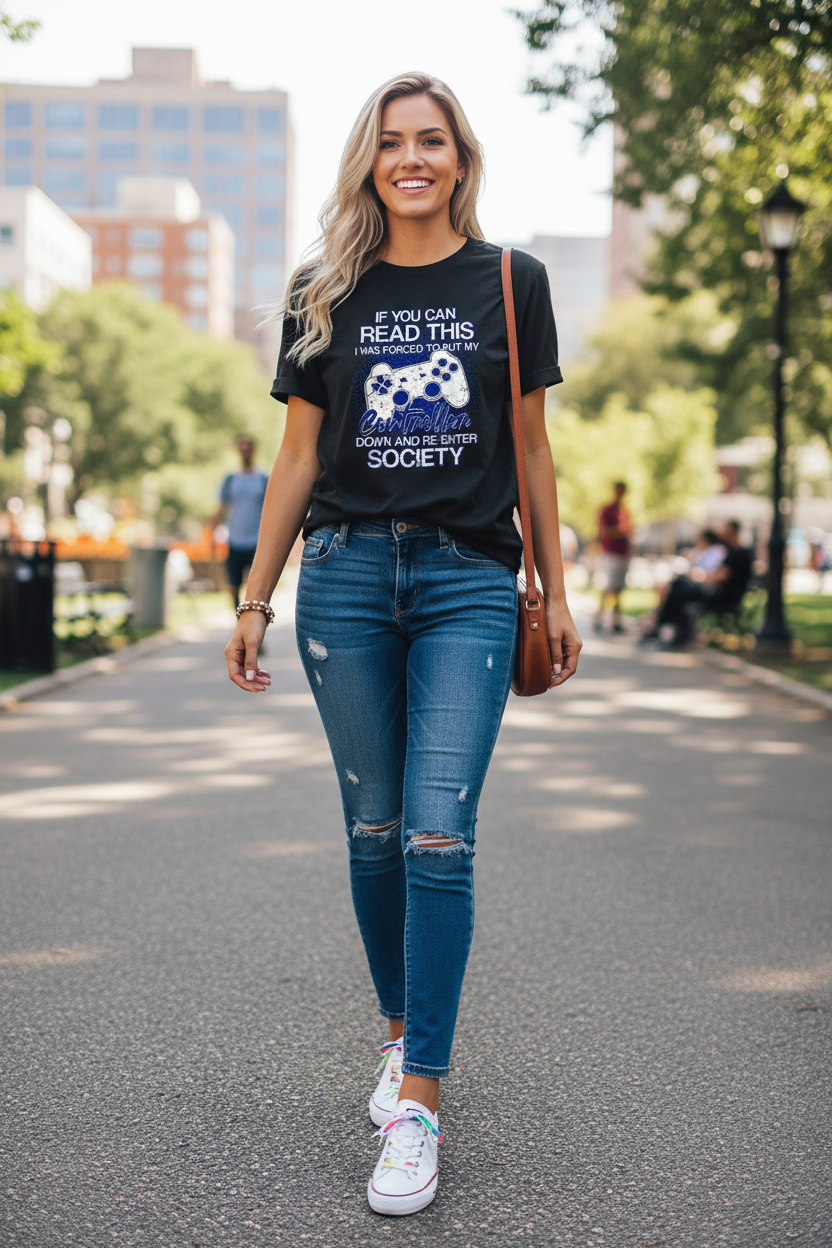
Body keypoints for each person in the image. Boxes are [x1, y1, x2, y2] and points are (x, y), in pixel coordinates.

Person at [222, 72, 582, 1217]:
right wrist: (253, 596)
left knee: (439, 832)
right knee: (374, 831)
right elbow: (295, 460)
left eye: (431, 141)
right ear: (369, 161)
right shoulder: (322, 288)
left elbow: (529, 449)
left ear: (461, 157)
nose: (411, 159)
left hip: (469, 581)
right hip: (341, 579)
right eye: (391, 143)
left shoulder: (511, 283)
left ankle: (419, 1098)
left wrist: (556, 591)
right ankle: (398, 1035)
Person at [644, 519, 752, 646]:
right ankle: (669, 629)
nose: (721, 533)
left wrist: (703, 577)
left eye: (725, 529)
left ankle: (665, 628)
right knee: (677, 586)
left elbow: (722, 576)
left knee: (679, 592)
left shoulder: (738, 553)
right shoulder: (731, 551)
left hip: (723, 596)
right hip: (716, 592)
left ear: (733, 531)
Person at [213, 436, 269, 609]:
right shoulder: (231, 479)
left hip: (256, 542)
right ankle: (238, 622)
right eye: (242, 448)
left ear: (253, 451)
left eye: (248, 448)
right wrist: (211, 534)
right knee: (233, 585)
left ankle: (255, 621)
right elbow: (222, 509)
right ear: (239, 451)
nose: (245, 452)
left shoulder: (262, 479)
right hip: (234, 540)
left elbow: (270, 510)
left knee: (256, 586)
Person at [594, 481, 631, 634]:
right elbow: (603, 532)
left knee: (619, 589)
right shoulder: (607, 510)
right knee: (610, 587)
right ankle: (598, 618)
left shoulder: (624, 511)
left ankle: (617, 621)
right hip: (611, 552)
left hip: (623, 553)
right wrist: (621, 532)